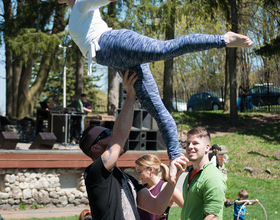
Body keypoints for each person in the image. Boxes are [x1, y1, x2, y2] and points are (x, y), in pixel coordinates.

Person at [58, 0, 254, 163]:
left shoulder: (81, 5)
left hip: (114, 45)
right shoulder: (79, 11)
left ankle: (223, 39)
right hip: (116, 58)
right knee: (157, 111)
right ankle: (176, 156)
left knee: (164, 49)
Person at [79, 70, 187, 220]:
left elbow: (156, 207)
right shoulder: (95, 173)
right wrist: (130, 95)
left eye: (110, 130)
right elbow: (118, 138)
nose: (111, 133)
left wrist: (173, 180)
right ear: (95, 148)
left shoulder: (127, 179)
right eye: (105, 134)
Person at [181, 127, 226, 220]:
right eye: (188, 143)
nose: (189, 146)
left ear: (207, 147)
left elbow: (212, 216)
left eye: (195, 143)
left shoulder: (212, 177)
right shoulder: (191, 173)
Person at [135, 154, 184, 220]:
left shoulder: (167, 188)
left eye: (140, 171)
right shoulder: (141, 189)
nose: (137, 175)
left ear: (150, 169)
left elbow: (189, 209)